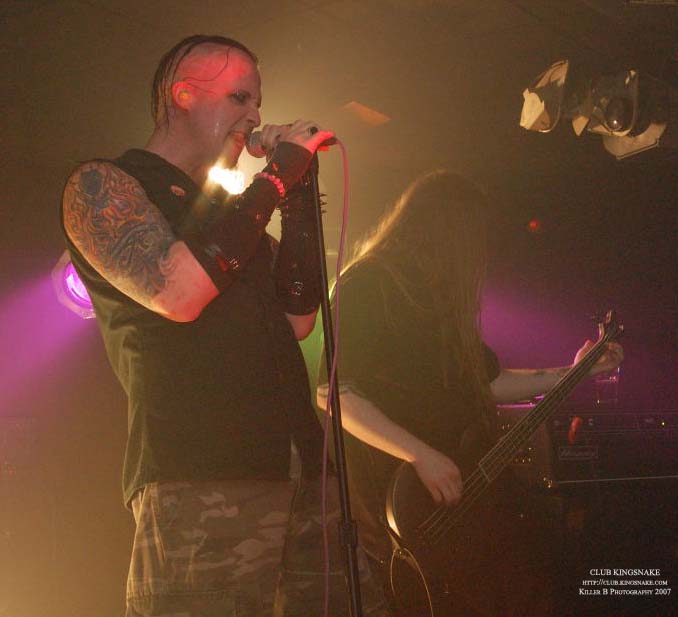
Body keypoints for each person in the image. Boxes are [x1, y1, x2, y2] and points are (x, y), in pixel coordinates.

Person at [60, 34, 389, 617]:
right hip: (201, 475)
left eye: (258, 101)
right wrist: (275, 178)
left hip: (302, 470)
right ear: (183, 95)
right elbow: (178, 292)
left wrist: (296, 200)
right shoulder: (106, 184)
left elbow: (297, 319)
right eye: (240, 98)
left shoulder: (229, 214)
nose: (256, 116)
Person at [316, 170, 624, 616]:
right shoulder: (367, 284)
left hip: (457, 492)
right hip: (399, 498)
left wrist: (577, 371)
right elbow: (334, 392)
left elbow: (486, 383)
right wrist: (419, 454)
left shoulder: (438, 298)